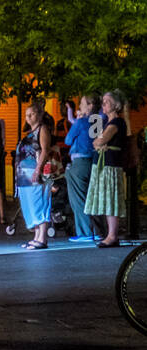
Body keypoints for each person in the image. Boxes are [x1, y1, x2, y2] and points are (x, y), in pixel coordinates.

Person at [86, 89, 131, 248]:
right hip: (105, 165)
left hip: (111, 165)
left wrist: (101, 142)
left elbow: (100, 140)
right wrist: (100, 142)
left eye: (107, 101)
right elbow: (95, 141)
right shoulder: (105, 121)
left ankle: (112, 235)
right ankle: (110, 234)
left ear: (116, 105)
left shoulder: (117, 122)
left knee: (111, 199)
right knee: (107, 199)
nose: (103, 104)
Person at [15, 102, 54, 249]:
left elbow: (45, 150)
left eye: (31, 114)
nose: (28, 117)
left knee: (39, 203)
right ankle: (36, 236)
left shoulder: (42, 130)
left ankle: (42, 238)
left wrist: (38, 170)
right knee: (30, 205)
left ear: (39, 115)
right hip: (24, 174)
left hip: (35, 172)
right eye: (26, 115)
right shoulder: (30, 133)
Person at [64, 95, 102, 241]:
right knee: (91, 196)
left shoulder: (81, 122)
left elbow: (68, 140)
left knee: (78, 197)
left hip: (79, 161)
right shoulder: (97, 121)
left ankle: (85, 232)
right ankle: (97, 229)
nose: (80, 107)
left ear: (90, 105)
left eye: (82, 104)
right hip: (93, 161)